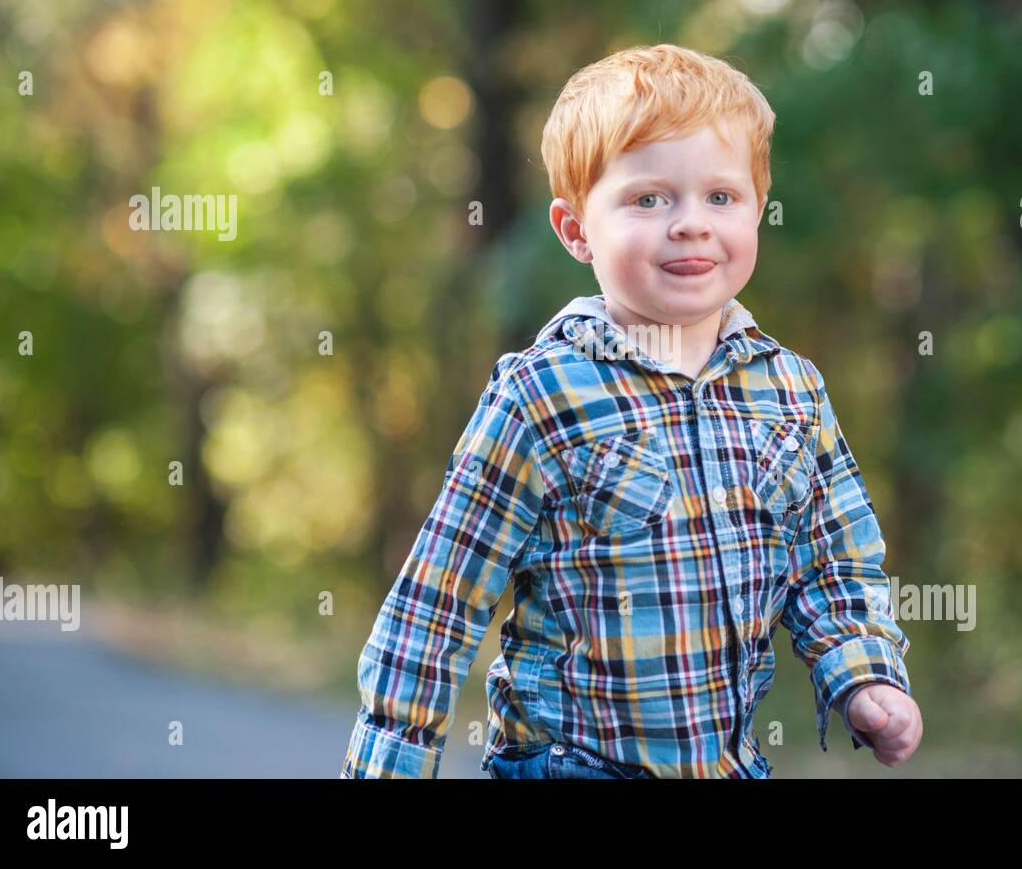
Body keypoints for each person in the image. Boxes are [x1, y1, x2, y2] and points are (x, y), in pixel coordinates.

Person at [342, 43, 922, 779]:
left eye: (721, 196)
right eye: (649, 198)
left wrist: (865, 674)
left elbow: (832, 561)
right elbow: (438, 605)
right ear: (576, 229)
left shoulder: (792, 393)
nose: (690, 223)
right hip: (570, 766)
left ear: (756, 211)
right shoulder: (543, 396)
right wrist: (388, 765)